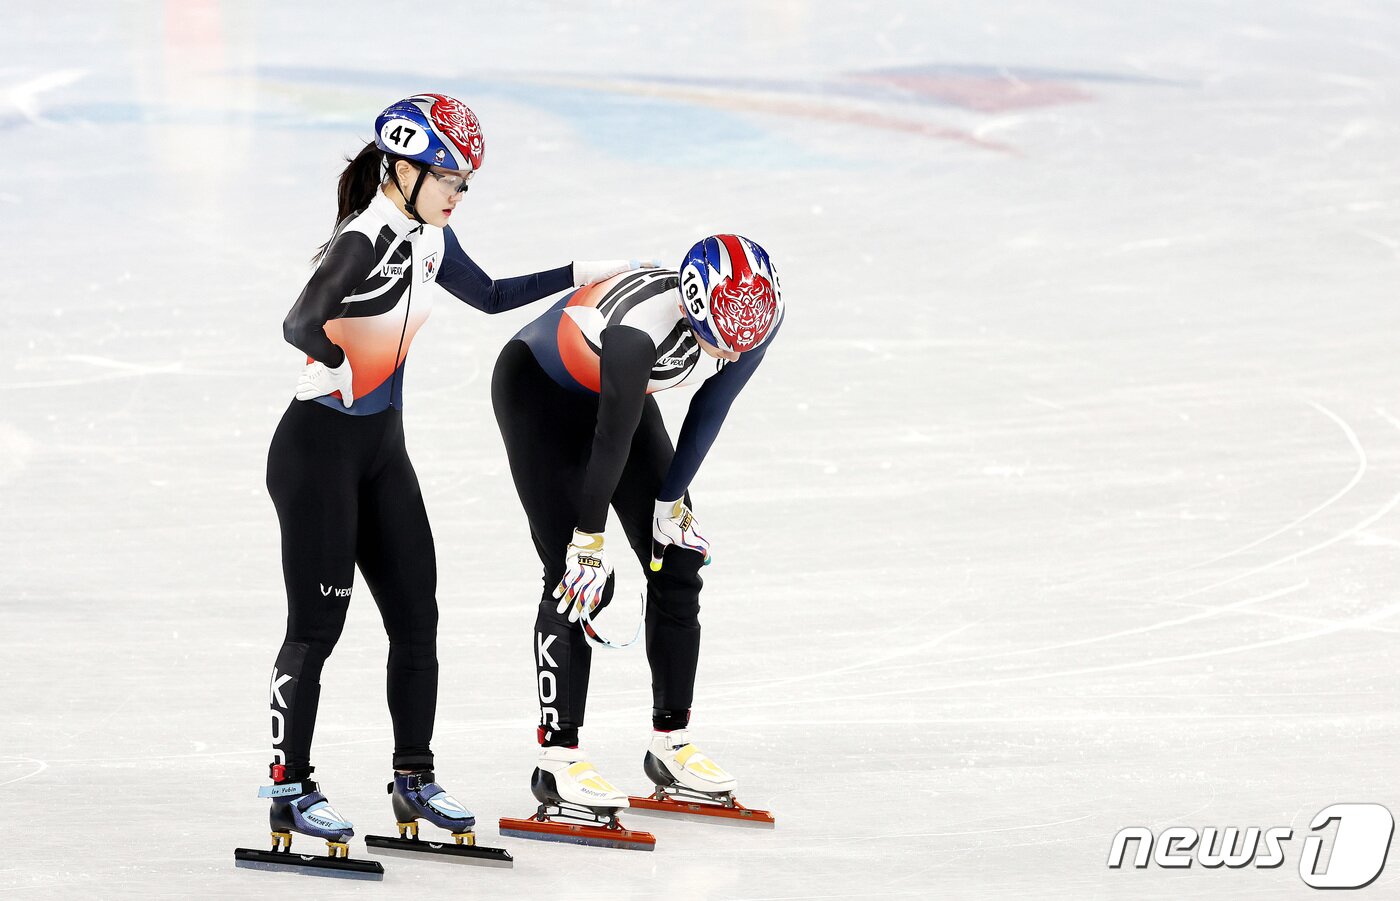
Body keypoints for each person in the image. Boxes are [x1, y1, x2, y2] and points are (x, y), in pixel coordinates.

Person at [246, 93, 644, 872]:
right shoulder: (364, 237)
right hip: (317, 451)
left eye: (466, 181)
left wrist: (578, 273)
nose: (460, 192)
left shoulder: (430, 237)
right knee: (316, 630)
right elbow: (299, 323)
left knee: (417, 618)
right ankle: (289, 789)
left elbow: (489, 295)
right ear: (403, 170)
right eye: (449, 178)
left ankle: (413, 780)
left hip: (381, 451)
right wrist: (341, 364)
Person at [490, 234, 784, 844]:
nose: (734, 352)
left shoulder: (754, 314)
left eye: (743, 342)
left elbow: (711, 407)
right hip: (541, 395)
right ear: (695, 309)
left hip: (620, 399)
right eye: (722, 341)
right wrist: (588, 540)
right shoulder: (635, 331)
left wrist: (671, 502)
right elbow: (610, 438)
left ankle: (670, 745)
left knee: (676, 559)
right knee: (575, 580)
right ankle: (557, 759)